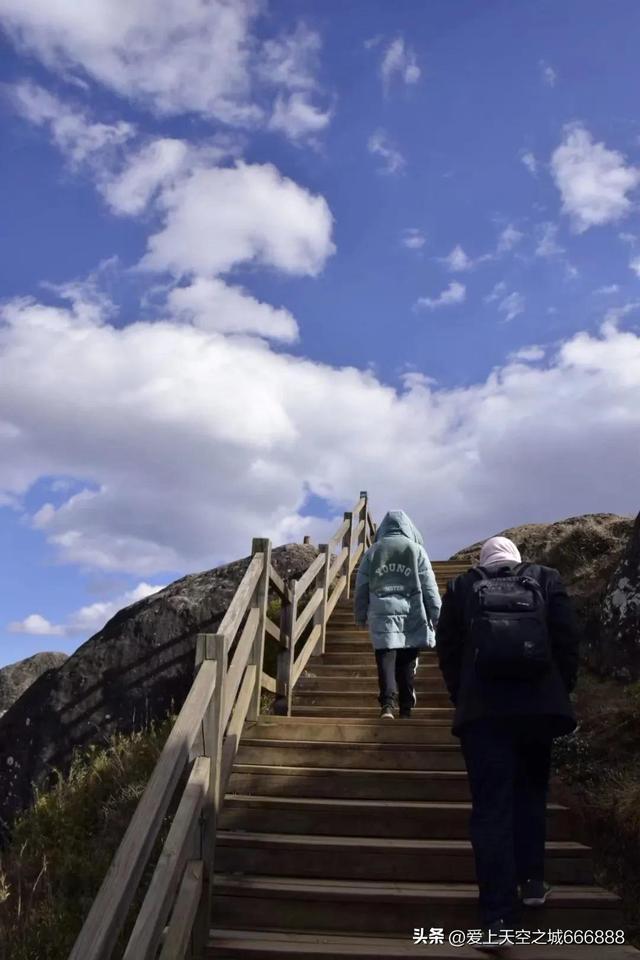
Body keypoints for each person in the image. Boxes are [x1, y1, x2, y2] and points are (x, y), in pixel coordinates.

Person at [435, 536, 580, 953]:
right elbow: (567, 639)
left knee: (491, 808)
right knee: (531, 793)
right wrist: (558, 690)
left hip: (483, 713)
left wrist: (461, 694)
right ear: (517, 558)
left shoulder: (463, 586)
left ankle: (498, 917)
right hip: (538, 708)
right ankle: (532, 882)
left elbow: (447, 648)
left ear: (483, 559)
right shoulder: (546, 578)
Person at [354, 510, 441, 720]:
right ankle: (406, 710)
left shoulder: (373, 551)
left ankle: (387, 705)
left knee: (385, 659)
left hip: (381, 613)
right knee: (407, 663)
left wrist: (360, 614)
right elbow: (430, 587)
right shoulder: (416, 550)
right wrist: (438, 617)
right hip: (411, 614)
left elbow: (361, 585)